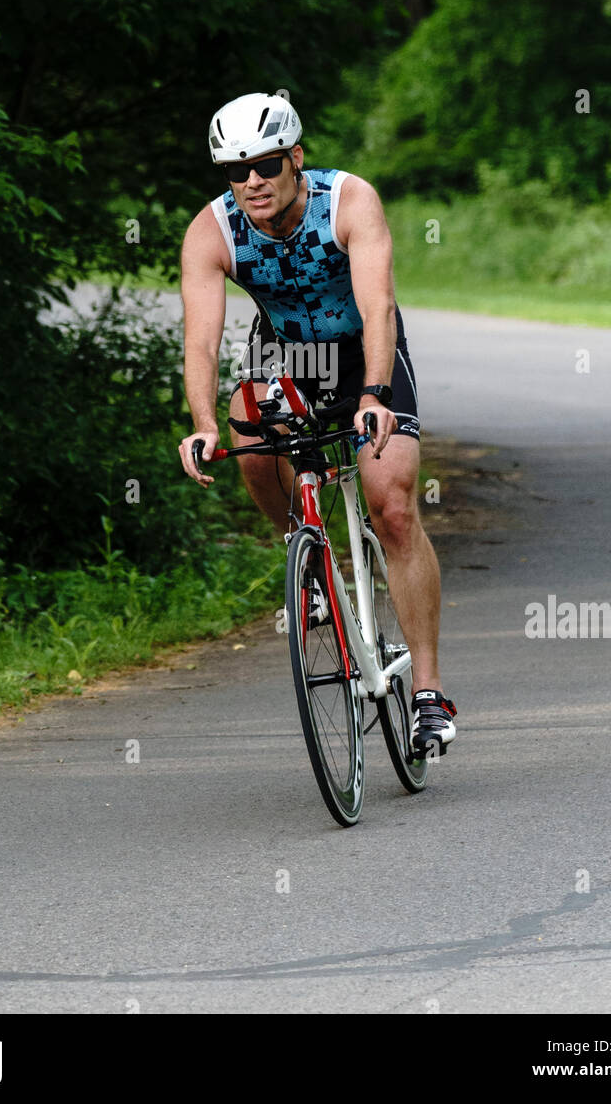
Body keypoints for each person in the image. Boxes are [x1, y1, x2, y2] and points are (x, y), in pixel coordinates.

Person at [178, 92, 456, 754]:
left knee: (391, 508)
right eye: (235, 170)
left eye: (267, 165)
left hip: (365, 349)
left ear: (295, 158)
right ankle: (305, 561)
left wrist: (375, 394)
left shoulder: (349, 202)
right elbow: (200, 342)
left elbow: (377, 302)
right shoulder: (211, 231)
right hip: (285, 355)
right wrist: (203, 423)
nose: (252, 182)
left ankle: (427, 692)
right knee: (249, 445)